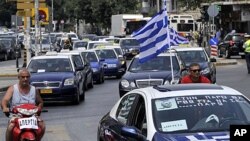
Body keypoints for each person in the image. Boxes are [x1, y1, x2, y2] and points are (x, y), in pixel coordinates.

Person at [1, 68, 45, 141]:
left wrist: (39, 108)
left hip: (31, 115)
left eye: (27, 77)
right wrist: (5, 107)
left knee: (42, 126)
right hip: (17, 115)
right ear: (19, 78)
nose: (25, 79)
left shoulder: (34, 89)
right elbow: (4, 100)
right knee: (10, 127)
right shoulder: (12, 88)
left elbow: (40, 102)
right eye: (23, 77)